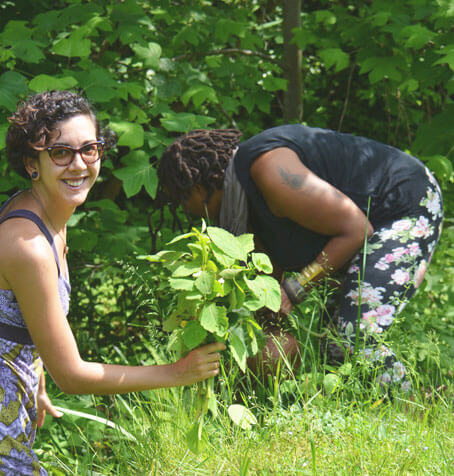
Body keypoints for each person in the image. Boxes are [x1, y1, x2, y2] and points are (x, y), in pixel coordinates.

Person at [0, 91, 225, 475]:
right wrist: (176, 373)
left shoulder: (48, 214)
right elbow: (70, 375)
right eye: (60, 152)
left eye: (90, 149)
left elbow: (16, 318)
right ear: (31, 163)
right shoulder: (29, 245)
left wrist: (34, 376)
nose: (78, 164)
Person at [158, 126, 444, 391]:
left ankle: (417, 413)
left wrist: (294, 291)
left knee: (356, 336)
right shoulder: (242, 212)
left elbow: (357, 229)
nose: (184, 210)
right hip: (368, 225)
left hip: (404, 204)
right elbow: (270, 282)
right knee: (334, 349)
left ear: (198, 185)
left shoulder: (268, 170)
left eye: (181, 199)